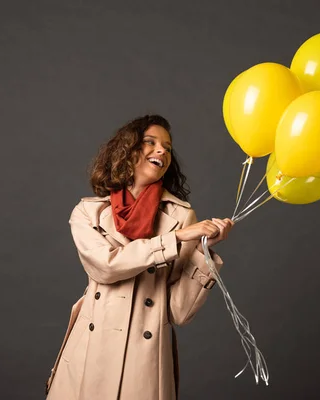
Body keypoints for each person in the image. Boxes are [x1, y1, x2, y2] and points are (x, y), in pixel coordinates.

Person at [45, 114, 234, 400]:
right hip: (88, 357)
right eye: (151, 142)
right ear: (127, 150)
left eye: (167, 148)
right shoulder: (88, 213)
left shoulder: (181, 217)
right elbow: (106, 268)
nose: (162, 151)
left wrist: (202, 252)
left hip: (143, 364)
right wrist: (175, 239)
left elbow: (179, 313)